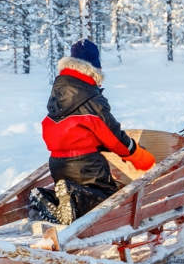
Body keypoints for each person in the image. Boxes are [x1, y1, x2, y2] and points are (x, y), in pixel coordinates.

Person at [29, 39, 155, 225]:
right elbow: (115, 138)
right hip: (86, 166)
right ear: (94, 68)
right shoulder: (91, 99)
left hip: (57, 164)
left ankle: (48, 195)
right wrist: (137, 156)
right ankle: (72, 196)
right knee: (108, 198)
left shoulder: (58, 93)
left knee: (75, 196)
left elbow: (68, 130)